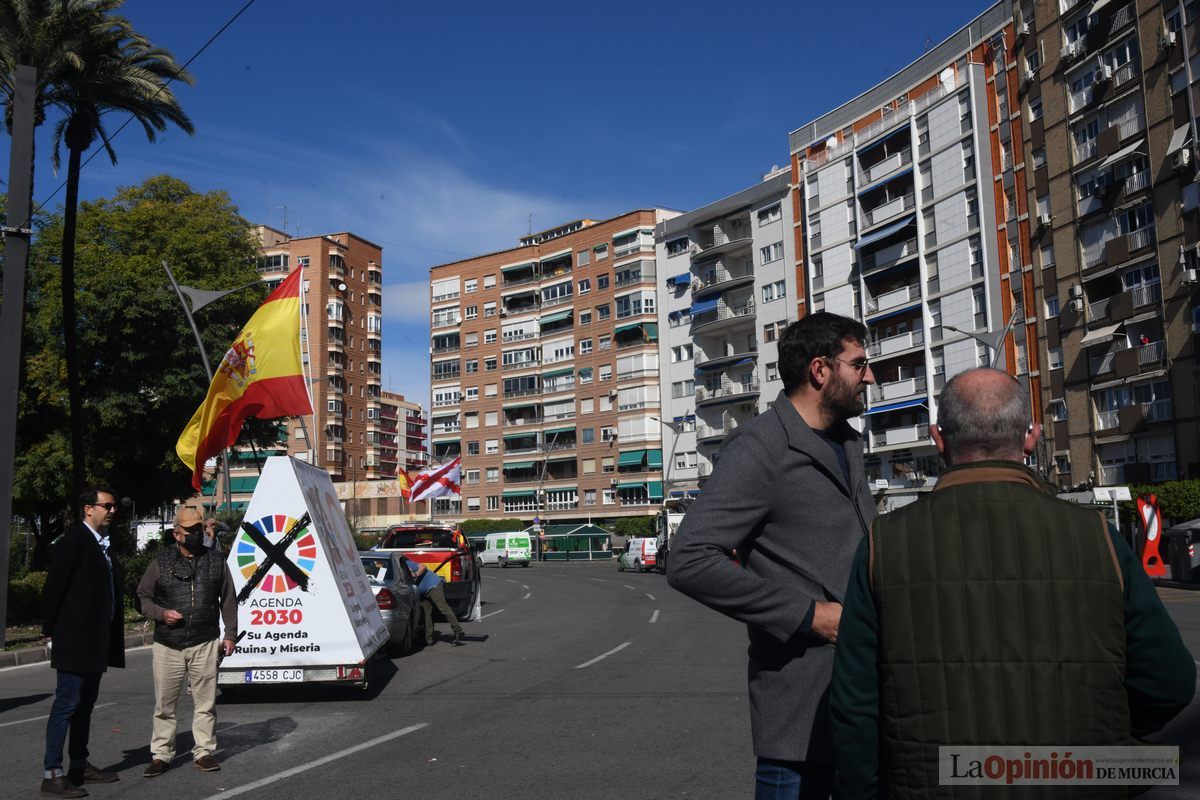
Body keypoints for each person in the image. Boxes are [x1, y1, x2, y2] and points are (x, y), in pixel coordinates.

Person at [830, 368, 1197, 799]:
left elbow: (855, 710)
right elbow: (1170, 681)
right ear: (1031, 438)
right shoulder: (1098, 536)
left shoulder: (882, 545)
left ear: (938, 439)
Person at [667, 312, 878, 800]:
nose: (869, 375)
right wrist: (809, 615)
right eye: (860, 364)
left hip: (861, 702)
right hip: (798, 717)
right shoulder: (760, 446)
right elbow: (690, 559)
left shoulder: (849, 444)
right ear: (821, 370)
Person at [136, 506, 238, 778]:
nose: (195, 534)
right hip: (168, 644)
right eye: (189, 531)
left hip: (205, 641)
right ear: (176, 534)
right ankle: (161, 755)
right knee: (165, 705)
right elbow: (142, 597)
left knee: (205, 703)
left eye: (198, 529)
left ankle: (204, 752)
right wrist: (161, 614)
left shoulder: (216, 561)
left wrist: (230, 634)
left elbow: (228, 599)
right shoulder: (161, 561)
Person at [40, 487, 126, 798]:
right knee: (66, 704)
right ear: (88, 509)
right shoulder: (75, 542)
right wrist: (49, 631)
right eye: (107, 505)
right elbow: (54, 588)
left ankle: (79, 765)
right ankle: (52, 774)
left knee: (85, 705)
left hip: (94, 639)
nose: (113, 510)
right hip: (74, 639)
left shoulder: (102, 545)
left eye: (114, 505)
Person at [405, 557, 465, 645]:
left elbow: (423, 567)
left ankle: (457, 630)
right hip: (422, 592)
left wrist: (416, 574)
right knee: (426, 613)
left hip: (433, 585)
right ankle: (428, 639)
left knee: (443, 607)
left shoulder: (406, 563)